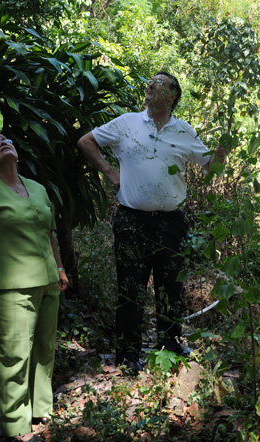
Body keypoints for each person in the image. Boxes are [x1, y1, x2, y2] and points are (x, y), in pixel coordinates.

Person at [77, 71, 227, 373]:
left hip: (172, 223)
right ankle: (128, 355)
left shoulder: (184, 131)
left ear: (172, 96)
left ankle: (169, 346)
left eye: (158, 84)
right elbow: (86, 141)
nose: (150, 86)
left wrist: (223, 149)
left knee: (171, 287)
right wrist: (110, 173)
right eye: (150, 82)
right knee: (129, 288)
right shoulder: (126, 123)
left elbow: (210, 167)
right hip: (131, 220)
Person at [0, 132, 69, 440]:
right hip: (10, 286)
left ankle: (41, 409)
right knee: (14, 354)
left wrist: (60, 267)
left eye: (5, 139)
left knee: (45, 348)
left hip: (47, 280)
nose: (3, 142)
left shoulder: (37, 188)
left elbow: (49, 232)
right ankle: (15, 425)